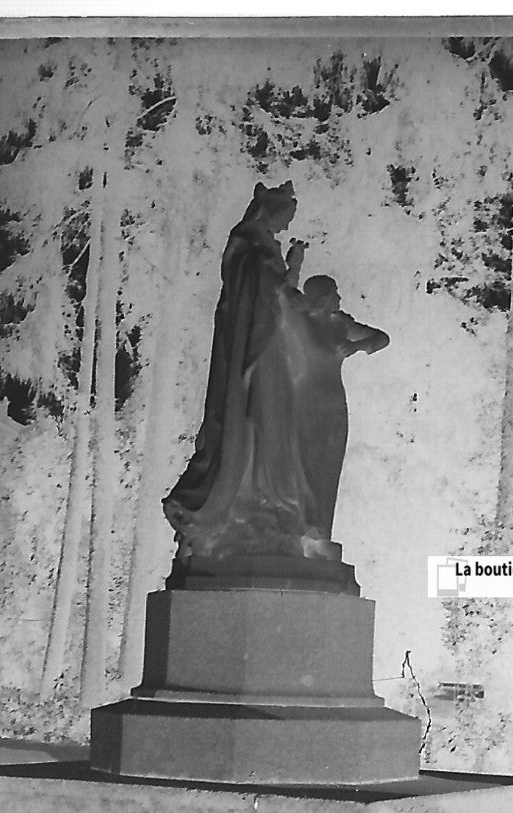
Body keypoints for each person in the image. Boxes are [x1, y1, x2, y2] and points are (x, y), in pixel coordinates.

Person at [165, 181, 389, 564]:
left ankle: (275, 509)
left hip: (277, 353)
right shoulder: (248, 243)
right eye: (285, 218)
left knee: (277, 430)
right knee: (259, 421)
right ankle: (254, 507)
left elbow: (287, 298)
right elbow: (273, 296)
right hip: (259, 345)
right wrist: (293, 270)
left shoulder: (265, 250)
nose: (285, 228)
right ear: (271, 210)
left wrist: (349, 341)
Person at [293, 274, 390, 555]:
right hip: (304, 401)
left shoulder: (340, 324)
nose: (339, 298)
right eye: (335, 293)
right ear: (323, 297)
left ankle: (321, 532)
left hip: (333, 401)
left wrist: (357, 346)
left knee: (328, 465)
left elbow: (381, 338)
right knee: (303, 462)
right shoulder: (301, 323)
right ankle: (299, 527)